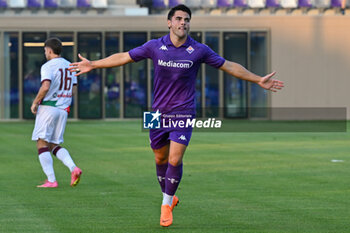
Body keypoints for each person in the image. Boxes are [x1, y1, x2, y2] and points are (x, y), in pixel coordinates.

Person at [69, 4, 284, 227]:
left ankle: (165, 204)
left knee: (174, 159)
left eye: (187, 19)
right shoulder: (154, 46)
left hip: (184, 112)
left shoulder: (199, 50)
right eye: (179, 19)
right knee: (159, 159)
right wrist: (93, 64)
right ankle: (170, 195)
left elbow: (228, 65)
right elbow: (124, 57)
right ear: (169, 22)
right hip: (156, 114)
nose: (183, 23)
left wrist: (257, 79)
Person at [31, 37, 82, 188]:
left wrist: (35, 102)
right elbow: (73, 90)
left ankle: (51, 180)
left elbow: (45, 86)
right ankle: (74, 168)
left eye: (45, 50)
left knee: (41, 142)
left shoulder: (48, 66)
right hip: (63, 110)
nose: (45, 53)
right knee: (53, 144)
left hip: (48, 107)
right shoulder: (69, 65)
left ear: (49, 50)